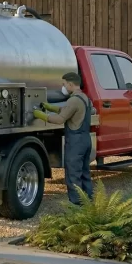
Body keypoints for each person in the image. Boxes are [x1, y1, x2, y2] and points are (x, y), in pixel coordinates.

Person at [33, 72, 94, 205]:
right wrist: (50, 107)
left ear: (70, 84)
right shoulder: (84, 98)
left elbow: (60, 119)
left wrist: (41, 115)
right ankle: (89, 205)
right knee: (84, 174)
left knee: (73, 176)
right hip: (85, 140)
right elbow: (69, 111)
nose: (63, 87)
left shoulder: (73, 100)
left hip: (75, 143)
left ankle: (76, 206)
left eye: (64, 84)